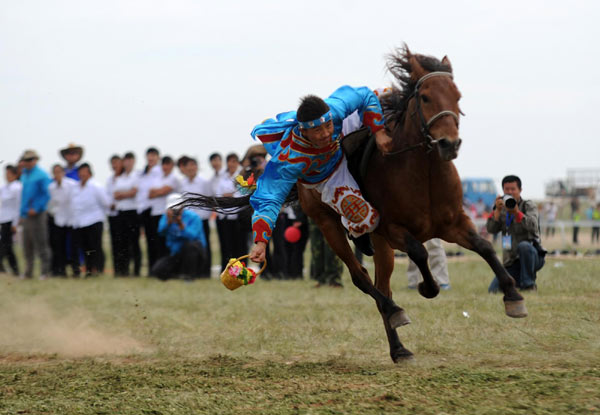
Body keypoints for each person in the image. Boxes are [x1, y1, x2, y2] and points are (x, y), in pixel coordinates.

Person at [247, 86, 393, 265]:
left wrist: (379, 132)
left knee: (383, 94)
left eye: (327, 126)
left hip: (339, 138)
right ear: (305, 131)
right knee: (367, 220)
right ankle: (355, 230)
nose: (325, 133)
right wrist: (261, 243)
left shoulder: (334, 110)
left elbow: (364, 94)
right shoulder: (290, 160)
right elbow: (269, 199)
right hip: (327, 176)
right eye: (317, 130)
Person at [487, 175, 546, 293]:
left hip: (532, 255)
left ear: (520, 190)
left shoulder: (528, 205)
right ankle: (519, 281)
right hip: (511, 260)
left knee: (524, 246)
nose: (510, 192)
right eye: (506, 189)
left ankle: (529, 285)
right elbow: (491, 229)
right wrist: (496, 211)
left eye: (513, 189)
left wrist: (517, 213)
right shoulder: (501, 208)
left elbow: (533, 227)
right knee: (493, 290)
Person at [151, 194, 207, 280]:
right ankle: (178, 273)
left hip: (195, 253)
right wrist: (168, 222)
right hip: (176, 252)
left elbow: (193, 237)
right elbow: (160, 232)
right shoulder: (166, 217)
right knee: (158, 270)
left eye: (177, 209)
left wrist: (181, 225)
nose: (175, 212)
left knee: (190, 246)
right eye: (173, 209)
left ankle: (190, 275)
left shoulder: (193, 217)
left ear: (182, 207)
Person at [70, 163, 109, 277]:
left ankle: (98, 269)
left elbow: (105, 203)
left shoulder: (96, 186)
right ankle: (88, 270)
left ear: (90, 173)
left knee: (95, 247)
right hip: (80, 222)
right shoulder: (75, 187)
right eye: (80, 171)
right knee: (85, 248)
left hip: (94, 220)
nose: (82, 174)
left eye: (85, 171)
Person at [19, 150, 52, 280]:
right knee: (27, 245)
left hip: (38, 214)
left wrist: (37, 208)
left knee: (41, 243)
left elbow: (47, 194)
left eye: (29, 160)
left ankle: (45, 272)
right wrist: (22, 213)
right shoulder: (24, 175)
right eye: (25, 160)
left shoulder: (42, 175)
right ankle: (28, 272)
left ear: (35, 160)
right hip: (26, 215)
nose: (27, 162)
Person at [180, 157, 213, 277]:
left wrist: (207, 215)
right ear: (185, 168)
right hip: (187, 220)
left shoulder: (204, 182)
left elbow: (209, 199)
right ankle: (191, 271)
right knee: (189, 245)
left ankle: (205, 272)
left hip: (201, 219)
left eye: (193, 165)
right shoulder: (182, 183)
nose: (191, 168)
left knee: (204, 245)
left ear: (197, 167)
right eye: (188, 165)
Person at [214, 153, 247, 270]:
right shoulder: (223, 178)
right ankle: (226, 270)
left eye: (234, 161)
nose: (231, 164)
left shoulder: (242, 176)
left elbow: (242, 195)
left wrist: (229, 196)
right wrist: (230, 195)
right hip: (224, 216)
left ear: (237, 163)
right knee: (226, 246)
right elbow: (218, 195)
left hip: (238, 217)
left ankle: (241, 270)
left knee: (240, 245)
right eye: (229, 161)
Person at [148, 156, 181, 264]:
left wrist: (157, 192)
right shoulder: (157, 178)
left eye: (168, 164)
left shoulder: (174, 178)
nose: (165, 167)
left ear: (172, 165)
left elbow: (163, 191)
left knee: (167, 241)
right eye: (163, 164)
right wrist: (159, 191)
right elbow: (150, 194)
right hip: (155, 212)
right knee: (155, 242)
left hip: (168, 213)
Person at [113, 152, 141, 276]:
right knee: (122, 242)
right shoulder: (120, 177)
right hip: (121, 212)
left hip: (133, 212)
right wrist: (126, 194)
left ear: (134, 161)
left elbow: (134, 192)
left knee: (134, 242)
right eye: (126, 160)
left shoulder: (137, 175)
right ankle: (124, 270)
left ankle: (136, 270)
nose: (128, 163)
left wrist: (122, 194)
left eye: (130, 160)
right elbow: (115, 194)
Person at [47, 164, 78, 277]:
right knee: (58, 247)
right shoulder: (51, 187)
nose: (58, 174)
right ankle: (60, 271)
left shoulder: (72, 185)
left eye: (59, 171)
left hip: (72, 219)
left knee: (73, 246)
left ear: (63, 173)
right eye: (55, 172)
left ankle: (76, 271)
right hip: (58, 220)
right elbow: (50, 204)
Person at [136, 147, 162, 272]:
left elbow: (154, 190)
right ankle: (152, 268)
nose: (150, 158)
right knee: (148, 240)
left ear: (158, 157)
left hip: (155, 209)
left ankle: (158, 268)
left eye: (153, 155)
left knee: (157, 241)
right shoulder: (142, 173)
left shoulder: (159, 172)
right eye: (149, 155)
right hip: (144, 209)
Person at [0, 165, 22, 276]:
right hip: (3, 219)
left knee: (5, 246)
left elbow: (18, 206)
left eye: (9, 173)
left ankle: (13, 269)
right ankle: (13, 269)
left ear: (15, 175)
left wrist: (15, 223)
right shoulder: (4, 188)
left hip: (11, 220)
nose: (7, 176)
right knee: (7, 247)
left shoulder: (17, 187)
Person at [309, 219, 344, 287]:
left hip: (331, 216)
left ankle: (334, 279)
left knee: (333, 248)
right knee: (317, 250)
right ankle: (320, 279)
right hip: (314, 217)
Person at [106, 155, 123, 276]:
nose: (114, 165)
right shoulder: (109, 179)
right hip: (112, 214)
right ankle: (117, 270)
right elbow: (107, 196)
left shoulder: (125, 178)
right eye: (112, 163)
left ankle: (126, 268)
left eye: (116, 163)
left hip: (123, 213)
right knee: (115, 243)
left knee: (124, 243)